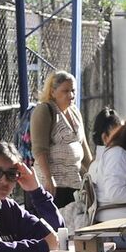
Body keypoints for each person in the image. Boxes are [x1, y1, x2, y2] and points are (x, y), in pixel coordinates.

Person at [30, 70, 90, 210]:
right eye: (65, 91)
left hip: (75, 184)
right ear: (52, 92)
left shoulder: (74, 111)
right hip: (53, 186)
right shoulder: (45, 110)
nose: (71, 95)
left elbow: (84, 147)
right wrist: (49, 179)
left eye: (73, 91)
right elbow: (39, 149)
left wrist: (91, 175)